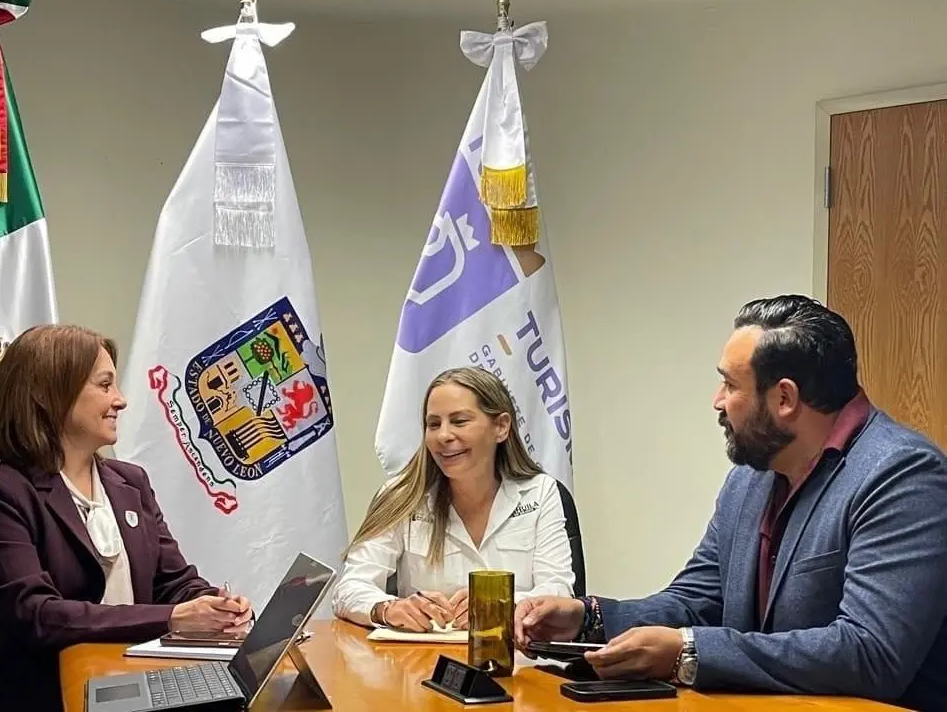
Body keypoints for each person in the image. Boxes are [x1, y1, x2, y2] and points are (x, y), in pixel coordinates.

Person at [515, 295, 947, 711]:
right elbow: (696, 601)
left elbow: (870, 653)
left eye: (729, 384)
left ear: (784, 399)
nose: (717, 401)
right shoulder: (750, 478)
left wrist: (689, 651)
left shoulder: (901, 475)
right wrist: (587, 618)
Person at [0, 325, 255, 711]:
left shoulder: (130, 481)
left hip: (139, 684)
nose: (122, 400)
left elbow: (174, 582)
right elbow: (38, 615)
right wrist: (175, 618)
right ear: (48, 394)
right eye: (105, 385)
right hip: (52, 695)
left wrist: (214, 604)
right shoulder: (2, 493)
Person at [332, 366, 574, 631]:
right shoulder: (401, 495)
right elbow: (349, 587)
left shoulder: (540, 492)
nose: (443, 436)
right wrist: (387, 609)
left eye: (459, 421)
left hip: (516, 656)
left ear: (501, 427)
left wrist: (497, 605)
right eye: (433, 424)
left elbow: (559, 592)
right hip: (421, 662)